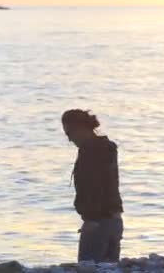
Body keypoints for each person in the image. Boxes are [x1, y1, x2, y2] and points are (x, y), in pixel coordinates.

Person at [62, 109, 124, 263]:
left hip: (98, 222)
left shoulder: (91, 151)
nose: (69, 139)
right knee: (109, 267)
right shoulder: (106, 147)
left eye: (70, 133)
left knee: (89, 266)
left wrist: (91, 220)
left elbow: (94, 187)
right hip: (114, 219)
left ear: (80, 128)